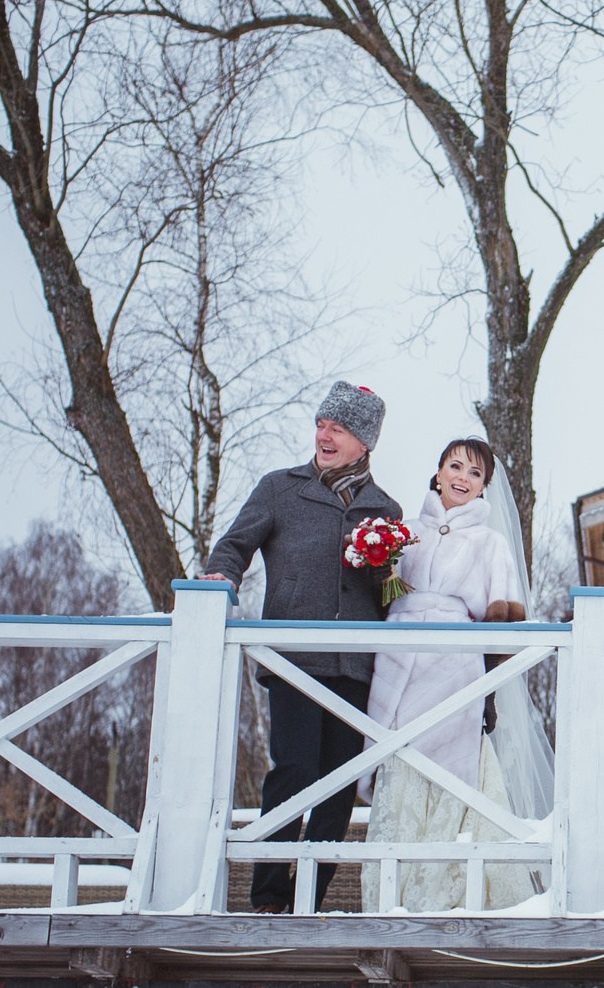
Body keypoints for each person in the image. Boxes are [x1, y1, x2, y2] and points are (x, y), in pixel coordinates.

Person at [203, 380, 398, 914]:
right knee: (292, 771)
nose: (324, 435)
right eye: (321, 424)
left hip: (354, 666)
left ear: (364, 441)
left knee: (337, 785)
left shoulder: (385, 508)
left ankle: (309, 898)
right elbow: (234, 544)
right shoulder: (279, 488)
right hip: (291, 658)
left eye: (338, 428)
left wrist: (384, 567)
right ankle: (267, 896)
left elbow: (393, 594)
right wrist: (222, 575)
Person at [361, 437, 551, 911]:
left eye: (474, 473)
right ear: (438, 471)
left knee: (452, 774)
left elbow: (502, 623)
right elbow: (377, 594)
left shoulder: (490, 543)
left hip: (455, 666)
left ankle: (444, 894)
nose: (462, 478)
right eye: (455, 466)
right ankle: (392, 895)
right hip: (397, 660)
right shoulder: (401, 531)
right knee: (399, 764)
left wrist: (488, 692)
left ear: (485, 487)